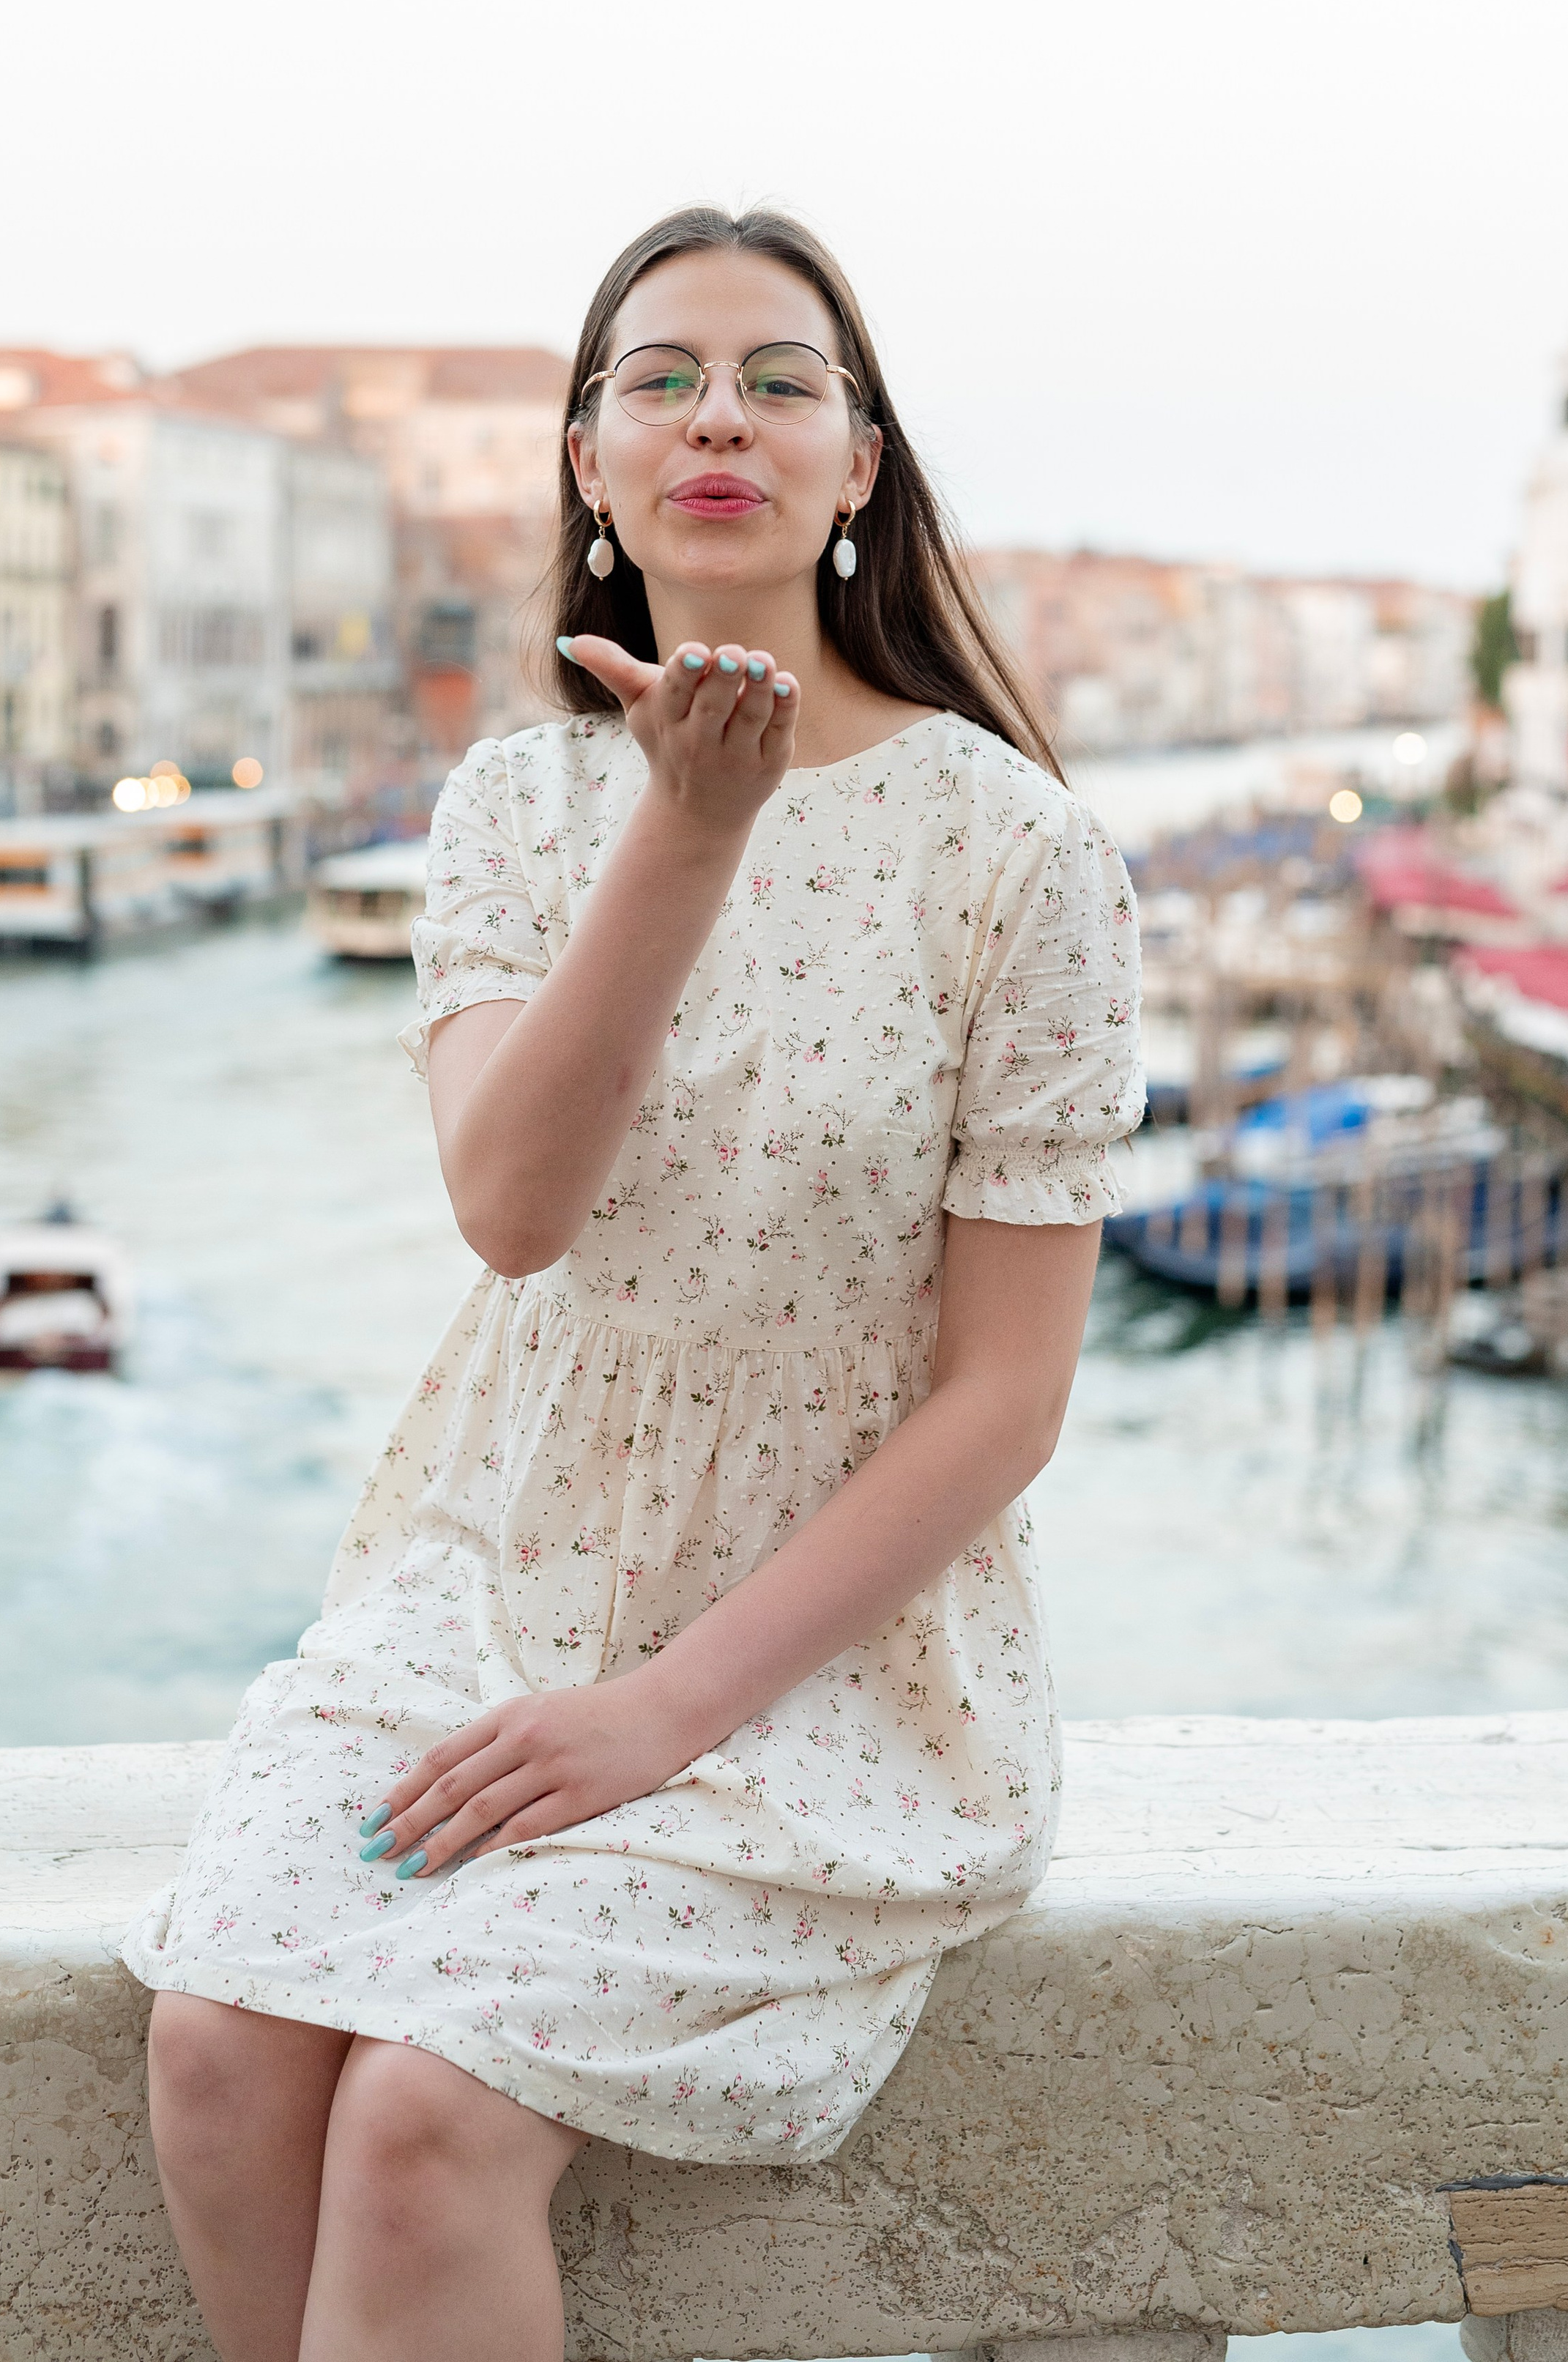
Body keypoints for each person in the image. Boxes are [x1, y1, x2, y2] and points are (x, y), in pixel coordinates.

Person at [125, 204, 1144, 2362]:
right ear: (588, 462)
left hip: (821, 1667)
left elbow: (1007, 1395)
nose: (720, 418)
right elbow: (513, 1210)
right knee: (219, 2052)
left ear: (857, 468)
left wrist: (666, 1713)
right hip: (488, 1586)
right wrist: (686, 826)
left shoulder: (1022, 857)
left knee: (421, 2124)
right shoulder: (515, 811)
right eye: (661, 379)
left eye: (783, 381)